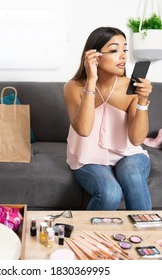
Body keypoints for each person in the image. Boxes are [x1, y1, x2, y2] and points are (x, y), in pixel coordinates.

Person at [64, 27, 153, 210]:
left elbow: (136, 139)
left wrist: (142, 101)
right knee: (110, 192)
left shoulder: (131, 87)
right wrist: (91, 80)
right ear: (94, 56)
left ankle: (144, 236)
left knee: (133, 178)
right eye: (114, 50)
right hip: (88, 158)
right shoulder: (73, 87)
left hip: (128, 154)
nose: (122, 56)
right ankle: (89, 238)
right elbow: (84, 129)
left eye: (124, 50)